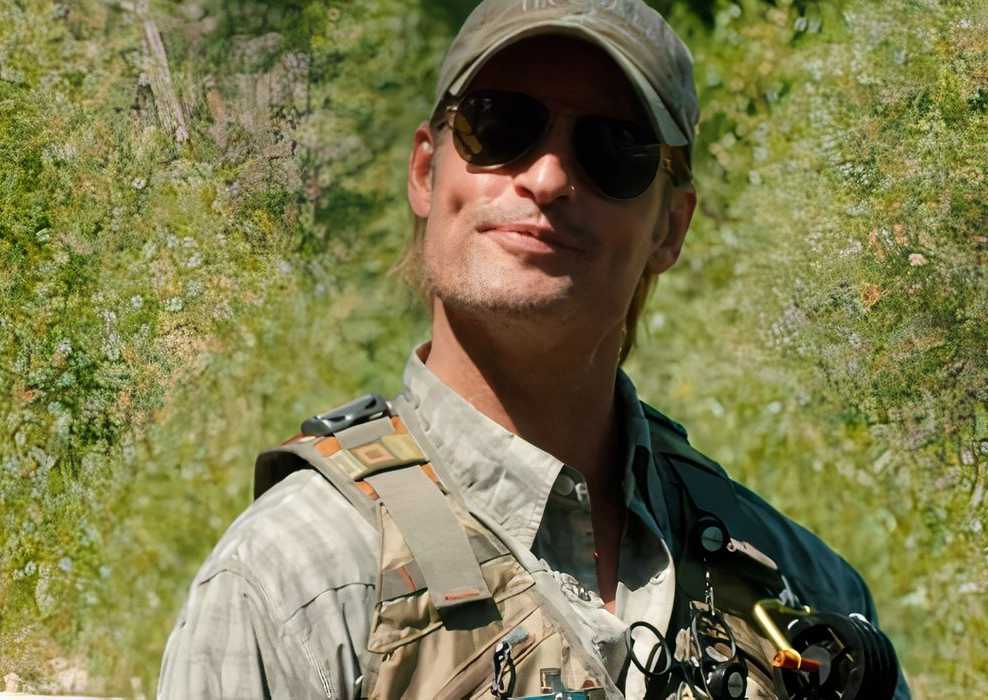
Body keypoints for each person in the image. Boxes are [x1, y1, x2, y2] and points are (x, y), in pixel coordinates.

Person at [158, 1, 910, 698]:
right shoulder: (294, 583)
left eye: (612, 149)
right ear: (425, 172)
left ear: (669, 227)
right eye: (499, 125)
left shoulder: (804, 597)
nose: (548, 178)